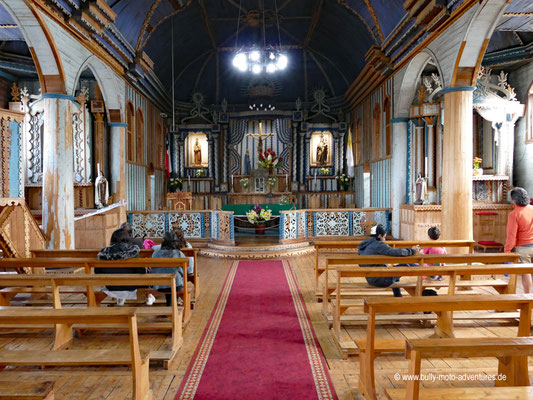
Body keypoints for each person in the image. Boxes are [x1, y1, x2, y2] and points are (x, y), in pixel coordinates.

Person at [358, 224, 419, 297]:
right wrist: (412, 251)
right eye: (384, 237)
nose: (385, 239)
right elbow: (396, 252)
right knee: (407, 265)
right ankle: (428, 273)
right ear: (380, 236)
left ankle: (398, 295)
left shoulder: (365, 245)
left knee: (394, 270)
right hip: (379, 280)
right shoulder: (378, 245)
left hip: (370, 278)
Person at [96, 228, 146, 306]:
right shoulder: (133, 251)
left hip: (111, 286)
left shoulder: (104, 252)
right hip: (131, 286)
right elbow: (141, 271)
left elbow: (98, 271)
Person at [504, 187, 533, 293]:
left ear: (513, 200)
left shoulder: (514, 214)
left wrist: (507, 251)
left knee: (526, 272)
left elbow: (511, 235)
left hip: (523, 247)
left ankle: (527, 296)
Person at [152, 231, 189, 306]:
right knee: (174, 278)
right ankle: (172, 306)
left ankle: (170, 305)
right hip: (176, 284)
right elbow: (186, 266)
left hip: (159, 284)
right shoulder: (178, 253)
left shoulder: (156, 253)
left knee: (167, 276)